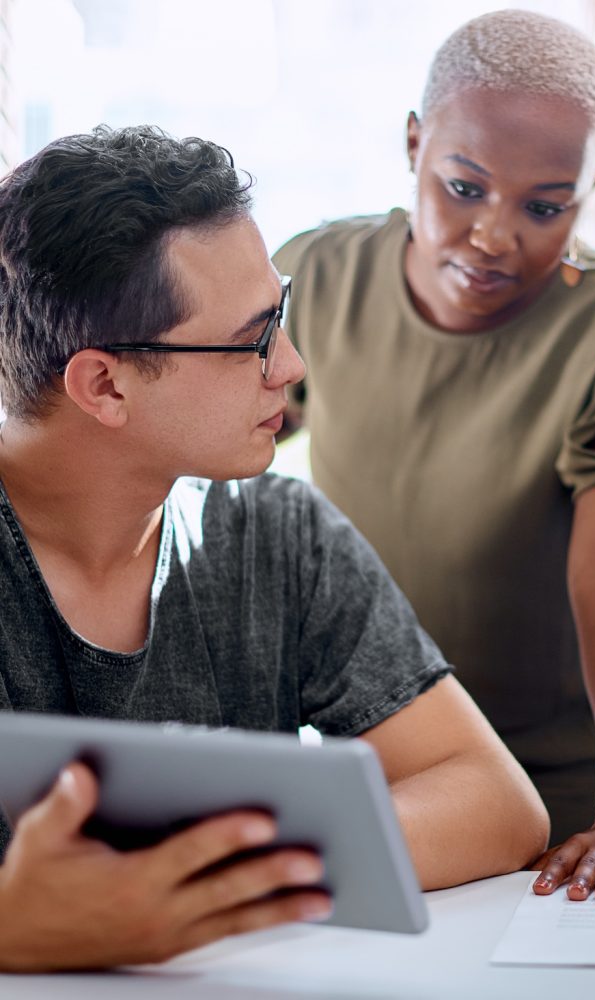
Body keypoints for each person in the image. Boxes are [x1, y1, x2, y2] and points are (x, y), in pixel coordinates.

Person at [0, 125, 549, 972]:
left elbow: (497, 806)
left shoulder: (280, 536)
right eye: (251, 338)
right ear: (104, 384)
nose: (290, 365)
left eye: (280, 314)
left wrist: (192, 880)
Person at [273, 8, 595, 901]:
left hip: (547, 814)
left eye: (544, 207)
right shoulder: (318, 274)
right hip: (360, 789)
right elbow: (204, 468)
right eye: (463, 187)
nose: (495, 236)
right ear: (414, 144)